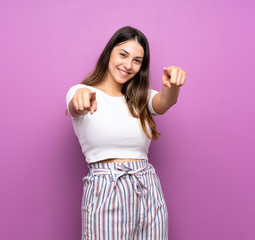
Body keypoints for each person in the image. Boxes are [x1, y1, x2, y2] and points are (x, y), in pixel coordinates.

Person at [65, 26, 186, 240]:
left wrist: (173, 83)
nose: (128, 65)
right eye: (123, 54)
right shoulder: (81, 91)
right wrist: (81, 100)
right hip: (107, 188)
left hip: (147, 185)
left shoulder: (140, 98)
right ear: (109, 52)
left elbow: (166, 101)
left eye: (137, 60)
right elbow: (77, 106)